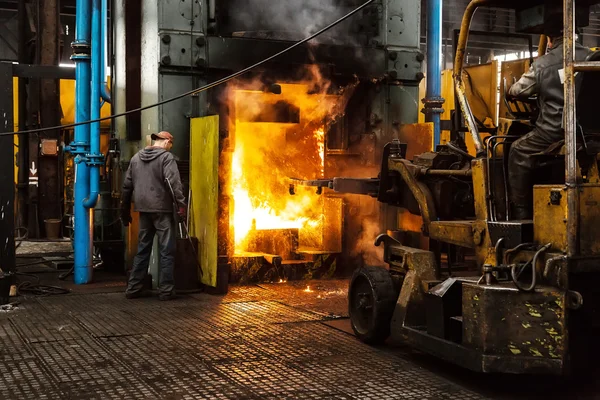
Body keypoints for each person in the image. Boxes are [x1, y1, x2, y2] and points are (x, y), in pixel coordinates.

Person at [507, 30, 591, 220]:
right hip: (590, 132)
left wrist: (508, 89)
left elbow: (519, 90)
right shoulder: (592, 56)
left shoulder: (544, 64)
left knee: (517, 150)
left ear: (551, 40)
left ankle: (521, 212)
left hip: (555, 131)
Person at [120, 131, 186, 300]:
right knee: (166, 250)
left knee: (143, 249)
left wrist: (124, 210)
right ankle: (166, 291)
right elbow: (174, 184)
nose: (170, 148)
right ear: (166, 142)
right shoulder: (166, 158)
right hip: (162, 210)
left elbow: (126, 187)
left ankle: (133, 288)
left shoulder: (135, 158)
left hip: (143, 209)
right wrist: (181, 206)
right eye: (170, 144)